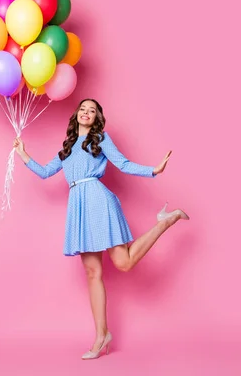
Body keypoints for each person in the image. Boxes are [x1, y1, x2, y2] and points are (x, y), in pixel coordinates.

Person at [13, 98, 189, 360]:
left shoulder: (101, 139)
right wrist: (23, 154)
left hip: (97, 200)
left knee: (124, 263)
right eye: (83, 109)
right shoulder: (68, 146)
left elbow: (124, 164)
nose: (86, 113)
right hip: (78, 206)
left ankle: (165, 221)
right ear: (76, 116)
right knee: (93, 272)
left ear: (96, 118)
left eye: (91, 111)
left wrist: (153, 170)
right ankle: (101, 335)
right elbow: (46, 172)